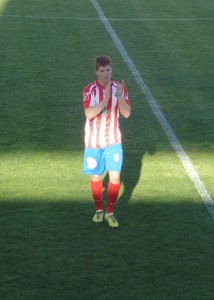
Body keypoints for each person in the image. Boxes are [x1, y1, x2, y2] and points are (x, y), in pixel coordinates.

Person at [82, 55, 131, 228]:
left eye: (108, 70)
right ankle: (98, 210)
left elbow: (126, 113)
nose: (106, 74)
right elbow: (89, 114)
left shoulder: (120, 88)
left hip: (113, 140)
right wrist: (106, 99)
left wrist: (120, 97)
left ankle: (110, 211)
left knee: (115, 177)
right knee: (96, 177)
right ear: (96, 72)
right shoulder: (89, 89)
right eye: (102, 71)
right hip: (93, 141)